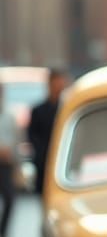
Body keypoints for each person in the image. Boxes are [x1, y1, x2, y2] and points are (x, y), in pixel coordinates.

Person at [27, 68, 68, 196]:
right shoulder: (38, 110)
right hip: (44, 161)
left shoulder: (66, 108)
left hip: (64, 159)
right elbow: (32, 135)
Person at [0, 84, 18, 237]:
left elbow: (16, 140)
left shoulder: (9, 117)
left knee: (10, 200)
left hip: (5, 165)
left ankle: (3, 233)